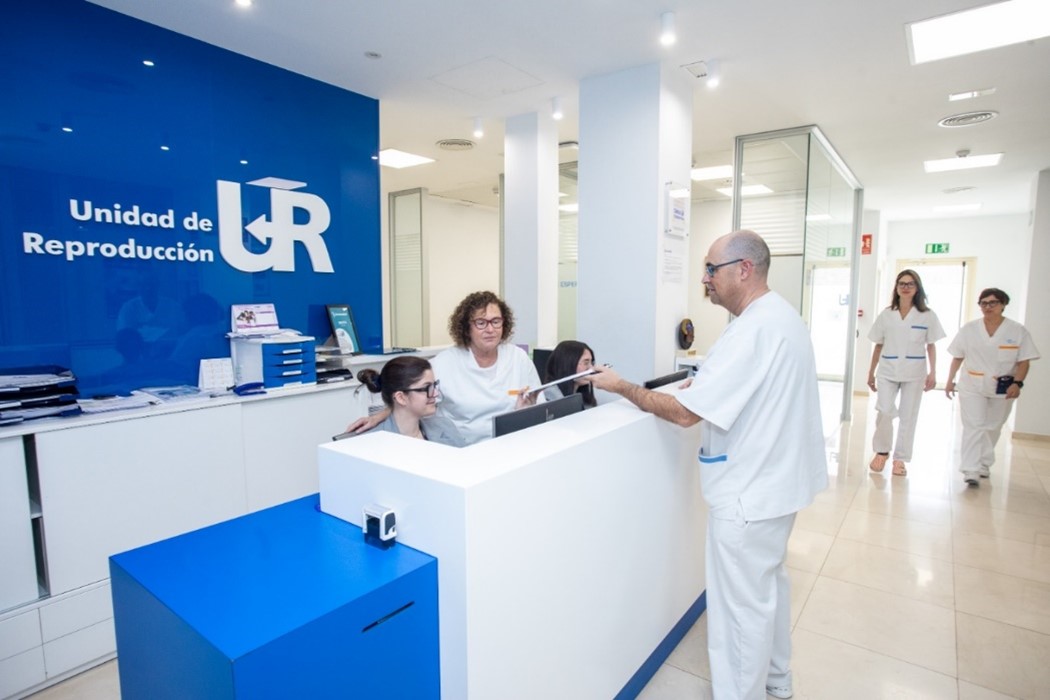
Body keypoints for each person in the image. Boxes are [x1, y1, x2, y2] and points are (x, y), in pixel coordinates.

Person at [588, 230, 827, 700]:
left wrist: (622, 387)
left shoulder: (755, 329)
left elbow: (683, 414)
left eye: (711, 269)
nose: (704, 279)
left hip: (749, 494)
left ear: (744, 269)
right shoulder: (779, 317)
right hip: (776, 488)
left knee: (740, 610)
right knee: (767, 592)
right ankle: (777, 682)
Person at [347, 291, 541, 445]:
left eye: (496, 321)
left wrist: (528, 410)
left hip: (510, 444)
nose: (490, 329)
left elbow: (539, 402)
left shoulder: (517, 357)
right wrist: (379, 417)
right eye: (481, 323)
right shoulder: (444, 364)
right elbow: (412, 399)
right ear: (466, 328)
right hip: (463, 449)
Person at [945, 288, 1039, 487]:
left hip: (1002, 386)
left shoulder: (1017, 331)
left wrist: (1017, 383)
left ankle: (984, 464)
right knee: (974, 425)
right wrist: (949, 380)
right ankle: (970, 469)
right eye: (984, 303)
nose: (987, 307)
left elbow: (1024, 362)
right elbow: (958, 356)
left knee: (993, 426)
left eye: (993, 303)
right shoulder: (970, 329)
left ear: (1003, 305)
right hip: (972, 384)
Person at [865, 269, 945, 477]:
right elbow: (878, 345)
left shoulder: (927, 315)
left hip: (914, 372)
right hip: (888, 370)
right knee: (884, 410)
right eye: (902, 283)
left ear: (917, 288)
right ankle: (882, 451)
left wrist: (933, 373)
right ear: (897, 287)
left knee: (909, 416)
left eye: (910, 284)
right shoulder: (886, 314)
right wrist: (870, 372)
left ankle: (900, 459)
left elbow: (931, 346)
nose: (906, 287)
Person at [356, 356, 465, 447]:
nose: (435, 394)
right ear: (401, 398)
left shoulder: (445, 426)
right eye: (427, 388)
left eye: (434, 385)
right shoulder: (369, 444)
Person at [542, 340, 597, 407]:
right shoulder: (549, 396)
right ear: (567, 364)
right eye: (586, 363)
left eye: (592, 363)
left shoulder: (582, 395)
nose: (591, 368)